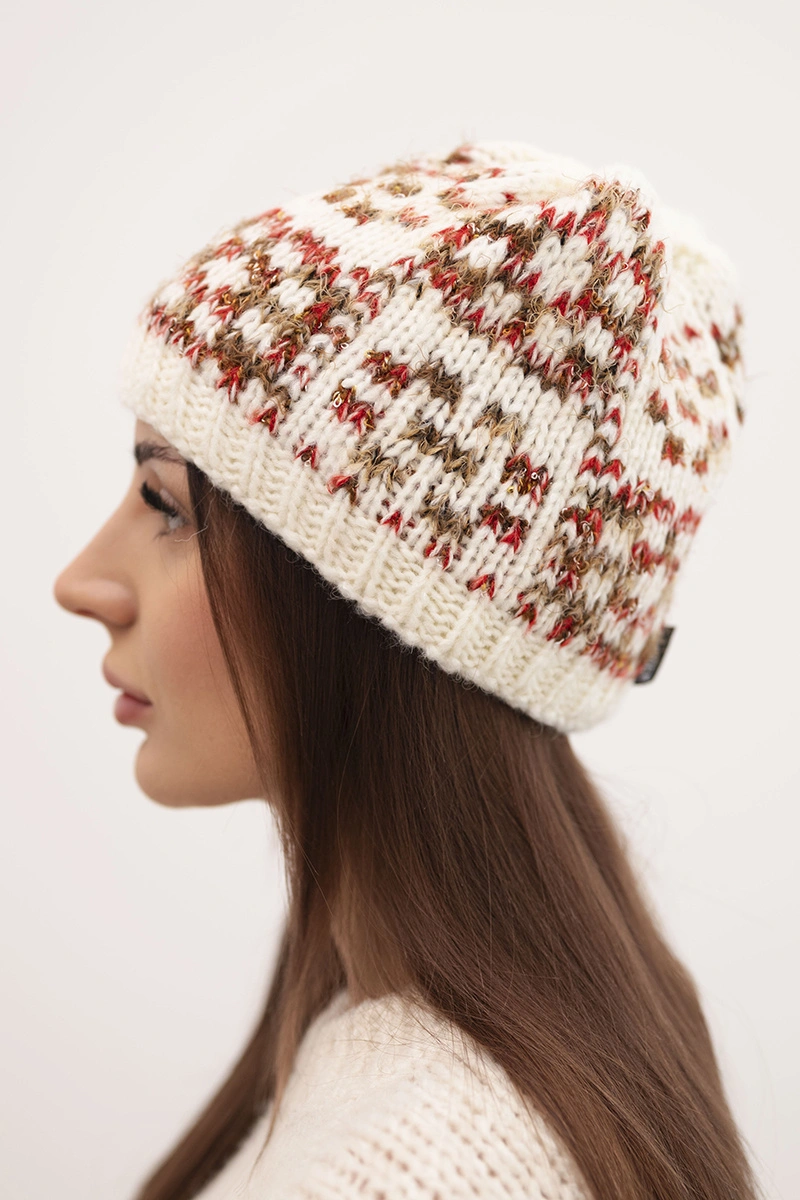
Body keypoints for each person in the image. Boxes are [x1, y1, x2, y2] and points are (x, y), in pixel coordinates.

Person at [53, 140, 763, 1200]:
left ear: (371, 608)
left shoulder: (404, 1165)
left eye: (167, 506)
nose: (80, 583)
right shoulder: (461, 1046)